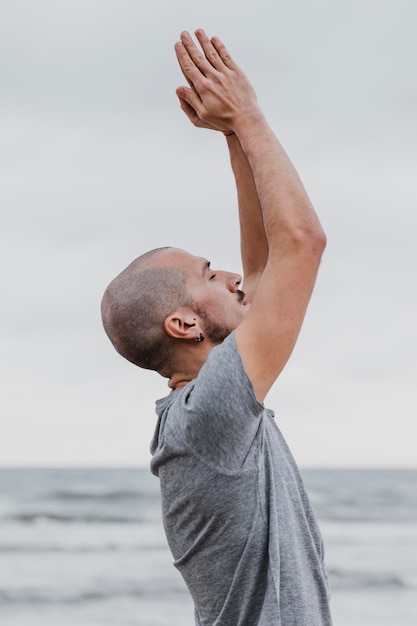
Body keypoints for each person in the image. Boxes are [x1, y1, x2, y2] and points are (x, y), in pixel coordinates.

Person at [101, 29, 332, 626]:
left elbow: (262, 268)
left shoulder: (203, 412)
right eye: (208, 274)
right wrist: (249, 115)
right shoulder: (210, 415)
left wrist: (231, 135)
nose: (231, 276)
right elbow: (301, 246)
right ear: (183, 323)